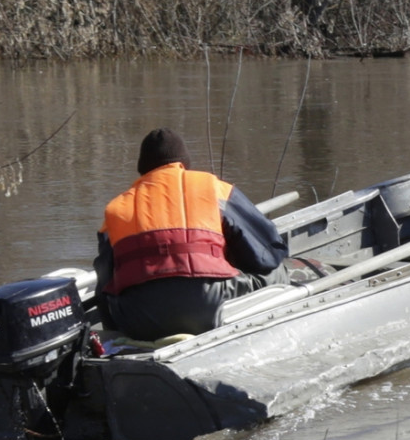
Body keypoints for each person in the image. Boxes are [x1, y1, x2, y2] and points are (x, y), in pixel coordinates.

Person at [96, 129, 287, 341]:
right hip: (208, 308)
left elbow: (104, 281)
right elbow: (268, 255)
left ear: (143, 170)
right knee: (277, 270)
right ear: (184, 164)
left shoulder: (115, 209)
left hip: (139, 320)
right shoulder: (214, 188)